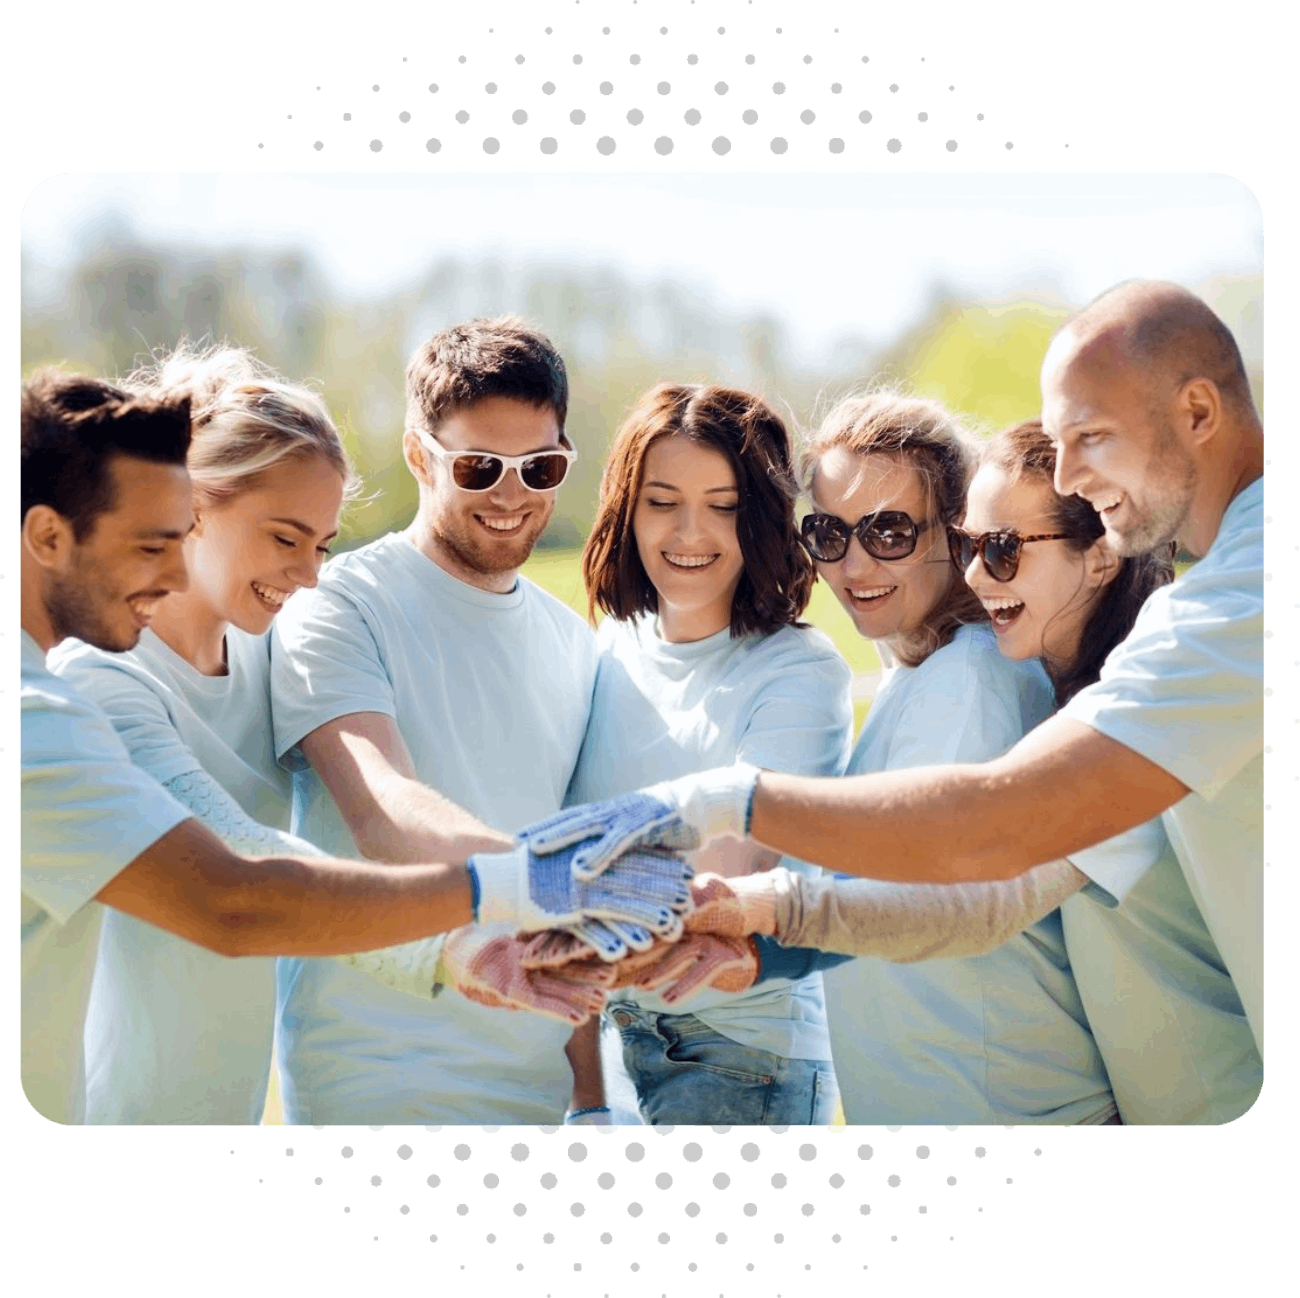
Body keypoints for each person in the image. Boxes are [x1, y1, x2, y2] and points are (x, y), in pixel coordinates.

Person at [529, 279, 1266, 1066]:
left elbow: (996, 830)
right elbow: (988, 900)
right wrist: (768, 927)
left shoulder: (1228, 606)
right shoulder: (1184, 616)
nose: (1071, 475)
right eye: (828, 534)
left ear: (1195, 412)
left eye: (1091, 437)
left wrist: (725, 803)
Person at [19, 367, 688, 1125]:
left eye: (322, 544)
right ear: (195, 509)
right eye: (284, 538)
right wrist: (503, 899)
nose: (309, 578)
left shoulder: (264, 661)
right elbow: (238, 872)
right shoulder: (93, 683)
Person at [683, 417, 1262, 1123]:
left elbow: (971, 900)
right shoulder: (1016, 684)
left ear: (1103, 552)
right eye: (829, 534)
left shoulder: (1067, 710)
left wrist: (747, 863)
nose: (977, 573)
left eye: (1003, 549)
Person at [268, 316, 628, 1127]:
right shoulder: (337, 604)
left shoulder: (573, 643)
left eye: (541, 467)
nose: (512, 495)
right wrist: (554, 886)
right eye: (478, 466)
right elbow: (382, 808)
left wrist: (592, 1101)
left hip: (532, 1091)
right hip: (372, 1083)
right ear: (417, 454)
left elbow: (566, 835)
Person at [551, 383, 853, 1130]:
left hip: (739, 1055)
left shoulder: (799, 671)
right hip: (603, 1049)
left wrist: (552, 905)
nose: (691, 532)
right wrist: (587, 1096)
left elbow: (730, 873)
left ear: (759, 519)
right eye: (663, 501)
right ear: (628, 510)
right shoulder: (607, 652)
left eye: (722, 505)